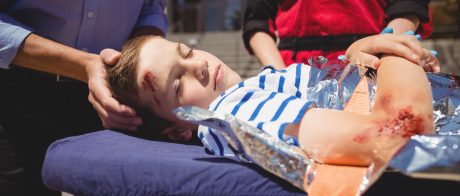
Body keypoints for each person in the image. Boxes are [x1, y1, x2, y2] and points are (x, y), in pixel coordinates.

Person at [107, 34, 433, 167]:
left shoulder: (253, 89)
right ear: (179, 131)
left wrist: (356, 53)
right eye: (178, 84)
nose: (200, 65)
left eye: (187, 52)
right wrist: (396, 57)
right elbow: (398, 131)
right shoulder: (235, 113)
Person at [0, 1, 167, 196]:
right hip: (20, 88)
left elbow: (151, 9)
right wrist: (84, 65)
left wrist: (133, 61)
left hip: (116, 86)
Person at [242, 0, 433, 70]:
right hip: (295, 68)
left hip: (369, 61)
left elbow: (408, 7)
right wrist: (280, 76)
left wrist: (387, 47)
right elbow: (257, 21)